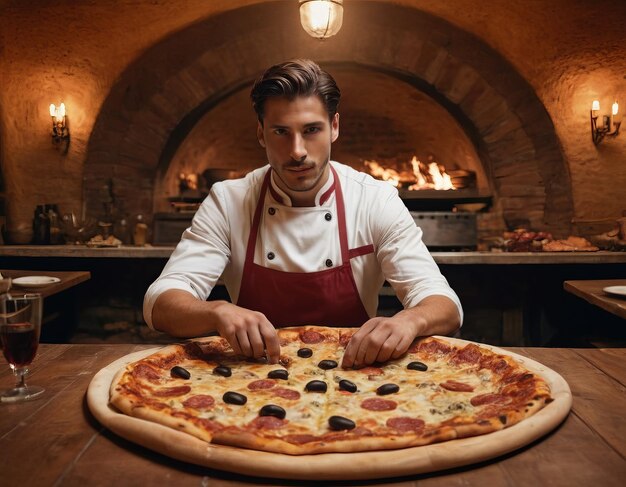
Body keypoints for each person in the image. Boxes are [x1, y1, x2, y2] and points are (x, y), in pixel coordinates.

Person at [144, 59, 462, 368]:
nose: (297, 151)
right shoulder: (229, 201)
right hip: (251, 379)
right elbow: (161, 302)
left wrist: (411, 319)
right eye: (281, 132)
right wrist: (216, 311)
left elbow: (444, 304)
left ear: (334, 127)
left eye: (311, 129)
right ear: (261, 133)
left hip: (357, 377)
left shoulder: (374, 200)